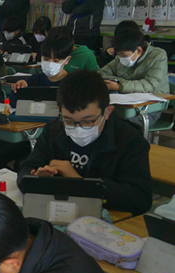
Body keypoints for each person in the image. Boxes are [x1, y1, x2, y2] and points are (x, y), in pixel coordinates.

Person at [18, 70, 153, 216]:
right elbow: (26, 170)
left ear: (107, 112)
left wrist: (79, 182)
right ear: (59, 110)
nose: (78, 128)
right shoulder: (53, 130)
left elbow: (140, 199)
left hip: (104, 219)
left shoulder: (130, 141)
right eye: (69, 121)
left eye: (88, 121)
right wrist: (37, 180)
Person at [0, 31, 73, 174]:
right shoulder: (34, 79)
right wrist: (18, 88)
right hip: (28, 136)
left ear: (67, 60)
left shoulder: (72, 84)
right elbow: (14, 105)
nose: (50, 63)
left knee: (22, 165)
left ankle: (20, 180)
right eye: (46, 59)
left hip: (55, 141)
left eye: (56, 61)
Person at [99, 27, 169, 128]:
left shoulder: (158, 56)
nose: (121, 59)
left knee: (115, 123)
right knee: (99, 117)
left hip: (150, 109)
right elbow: (101, 74)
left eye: (124, 55)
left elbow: (149, 84)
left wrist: (119, 86)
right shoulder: (120, 58)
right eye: (118, 55)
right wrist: (119, 83)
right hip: (124, 105)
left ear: (139, 50)